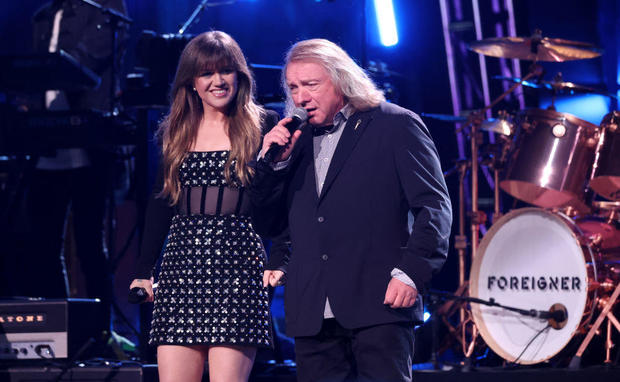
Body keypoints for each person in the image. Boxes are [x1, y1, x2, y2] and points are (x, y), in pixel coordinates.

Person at [250, 39, 452, 382]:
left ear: (341, 80)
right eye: (294, 87)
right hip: (313, 307)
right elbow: (269, 224)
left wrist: (412, 272)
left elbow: (434, 207)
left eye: (311, 85)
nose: (301, 97)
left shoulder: (395, 125)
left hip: (378, 302)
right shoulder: (293, 141)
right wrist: (272, 168)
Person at [129, 31, 280, 382]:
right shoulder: (176, 131)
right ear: (191, 82)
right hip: (181, 268)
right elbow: (161, 202)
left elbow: (279, 200)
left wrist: (278, 258)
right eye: (206, 73)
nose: (217, 81)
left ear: (239, 75)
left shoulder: (263, 124)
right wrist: (144, 268)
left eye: (225, 71)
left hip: (239, 267)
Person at [19, 0, 127, 309]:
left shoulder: (104, 7)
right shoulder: (44, 14)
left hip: (87, 138)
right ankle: (57, 323)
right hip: (45, 139)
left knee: (89, 241)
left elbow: (87, 59)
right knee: (43, 241)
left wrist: (50, 71)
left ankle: (98, 331)